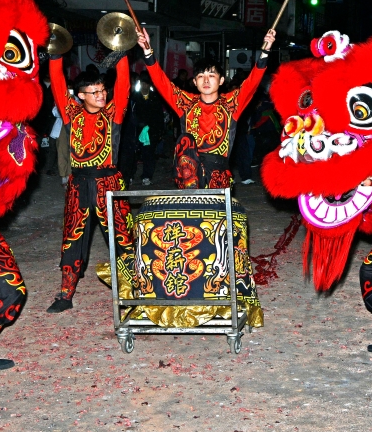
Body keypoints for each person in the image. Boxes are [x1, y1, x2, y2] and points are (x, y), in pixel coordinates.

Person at [46, 52, 135, 313]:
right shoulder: (71, 113)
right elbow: (57, 82)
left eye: (103, 90)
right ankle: (65, 294)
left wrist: (121, 54)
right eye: (94, 92)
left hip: (109, 184)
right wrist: (55, 55)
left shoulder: (113, 113)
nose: (101, 95)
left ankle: (134, 291)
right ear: (81, 95)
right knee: (72, 239)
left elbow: (124, 84)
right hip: (79, 185)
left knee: (122, 238)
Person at [137, 26, 276, 188]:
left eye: (211, 75)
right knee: (185, 140)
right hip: (190, 174)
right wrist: (147, 51)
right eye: (201, 76)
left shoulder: (231, 103)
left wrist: (265, 51)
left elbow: (252, 82)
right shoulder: (185, 102)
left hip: (218, 175)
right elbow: (162, 82)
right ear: (194, 82)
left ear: (221, 80)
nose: (206, 80)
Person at [133, 71, 166, 186]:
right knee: (134, 154)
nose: (144, 86)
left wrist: (159, 131)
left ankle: (147, 175)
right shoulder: (134, 97)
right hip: (136, 131)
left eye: (146, 83)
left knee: (149, 154)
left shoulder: (155, 97)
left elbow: (159, 116)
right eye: (143, 83)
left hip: (151, 132)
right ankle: (130, 175)